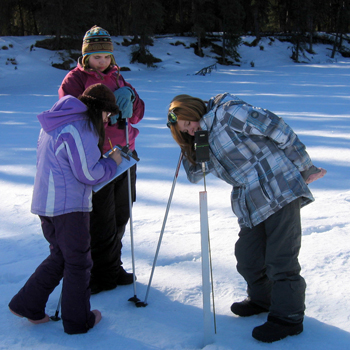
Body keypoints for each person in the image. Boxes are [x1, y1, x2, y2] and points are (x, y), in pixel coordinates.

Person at [166, 93, 327, 343]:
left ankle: (289, 318)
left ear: (192, 109)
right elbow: (200, 172)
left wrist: (305, 166)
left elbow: (278, 129)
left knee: (280, 258)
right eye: (184, 131)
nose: (190, 130)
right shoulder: (202, 136)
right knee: (248, 257)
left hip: (280, 188)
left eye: (188, 124)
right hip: (252, 203)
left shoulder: (229, 112)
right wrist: (188, 147)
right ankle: (264, 299)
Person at [8, 84, 123, 334]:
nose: (107, 120)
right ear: (100, 109)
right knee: (79, 262)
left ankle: (27, 303)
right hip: (67, 207)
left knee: (61, 256)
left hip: (46, 203)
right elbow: (88, 174)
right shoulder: (80, 126)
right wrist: (111, 163)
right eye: (107, 115)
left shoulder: (57, 121)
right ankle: (78, 320)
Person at [58, 25, 145, 294]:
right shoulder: (74, 79)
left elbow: (137, 115)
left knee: (121, 213)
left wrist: (131, 99)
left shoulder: (120, 78)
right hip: (97, 156)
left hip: (126, 154)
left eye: (107, 56)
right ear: (85, 57)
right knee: (100, 218)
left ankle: (112, 265)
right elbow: (69, 115)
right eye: (97, 57)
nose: (103, 62)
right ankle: (97, 272)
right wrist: (102, 107)